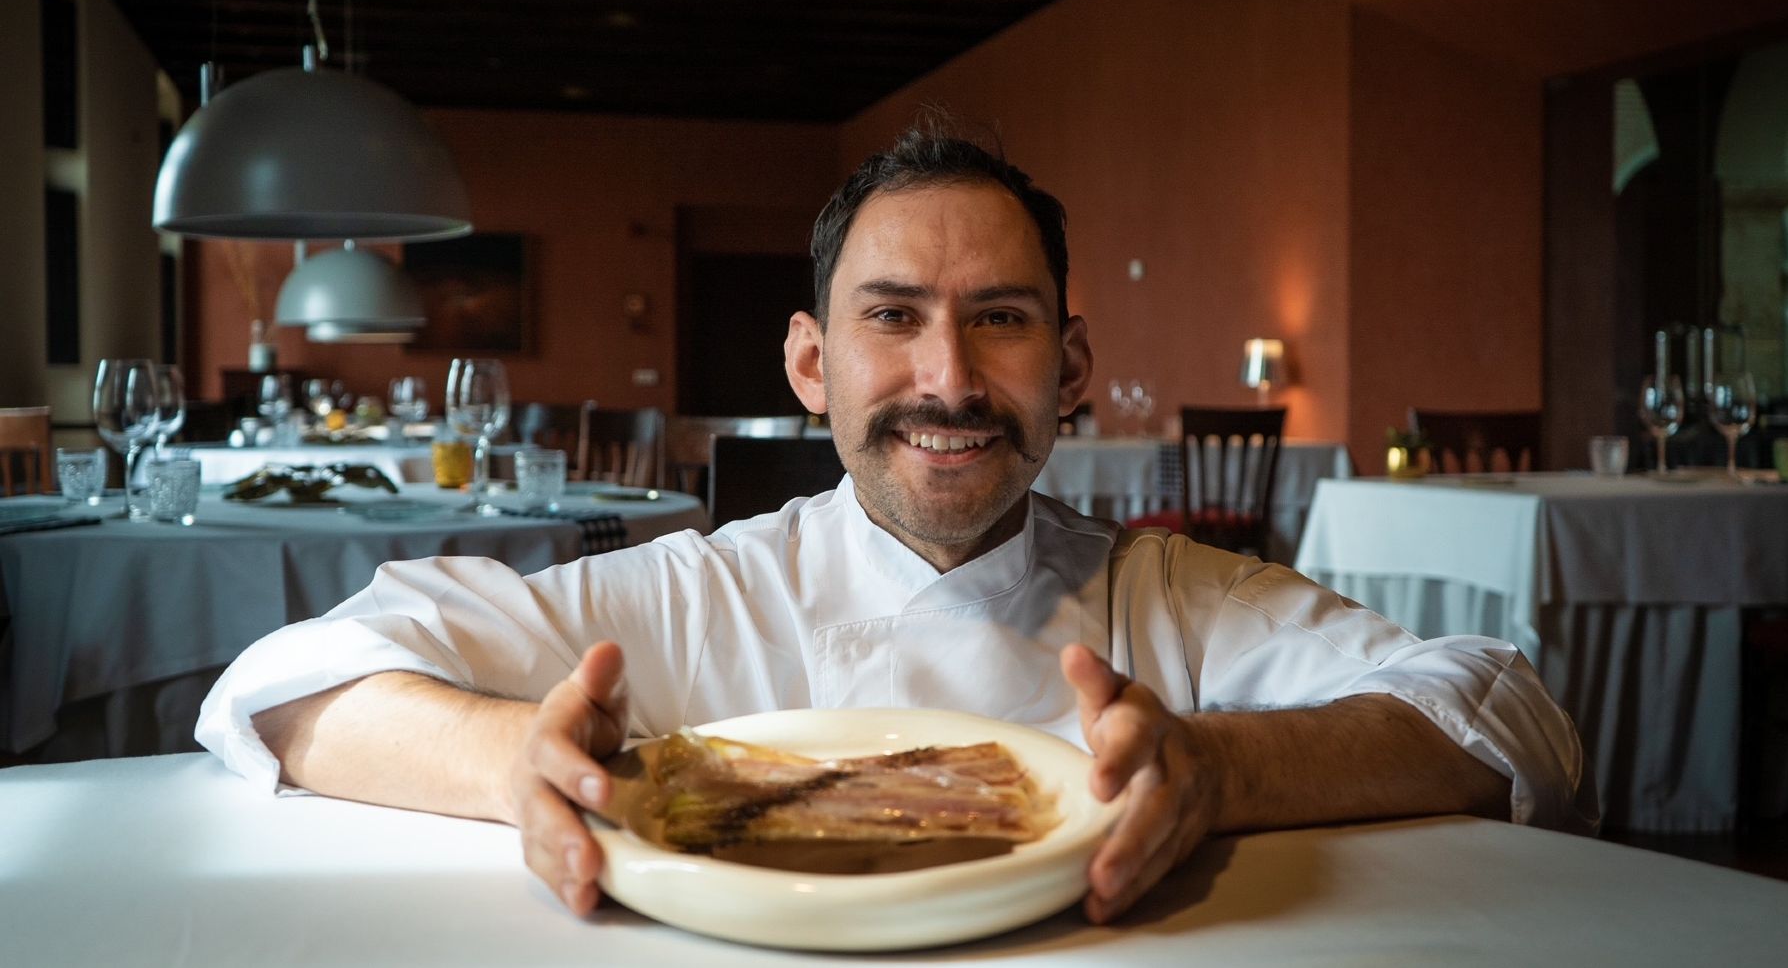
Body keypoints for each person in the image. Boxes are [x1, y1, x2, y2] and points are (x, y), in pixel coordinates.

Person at [198, 122, 1589, 925]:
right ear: (813, 365)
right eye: (894, 319)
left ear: (1073, 365)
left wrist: (1221, 769)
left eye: (1001, 319)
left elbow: (1509, 714)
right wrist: (516, 759)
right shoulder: (690, 591)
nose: (949, 380)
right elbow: (287, 682)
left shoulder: (1175, 601)